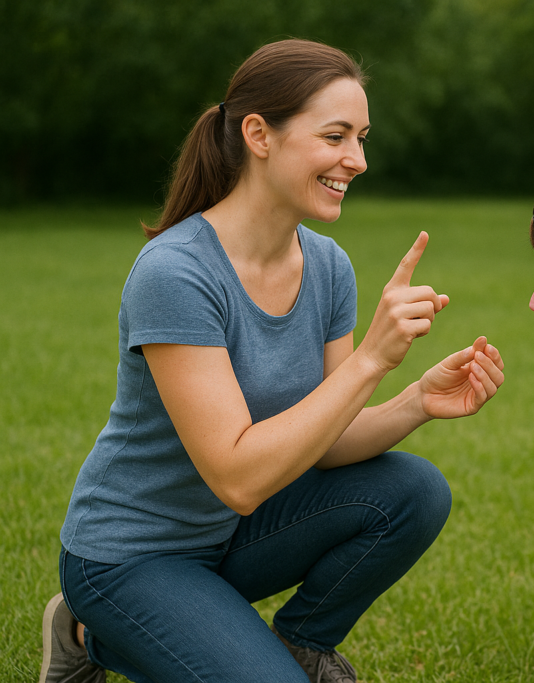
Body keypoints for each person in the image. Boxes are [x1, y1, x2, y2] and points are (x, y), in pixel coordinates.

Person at [39, 38, 504, 683]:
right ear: (259, 134)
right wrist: (372, 361)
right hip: (132, 555)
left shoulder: (328, 266)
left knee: (413, 491)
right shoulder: (177, 272)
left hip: (234, 536)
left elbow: (327, 441)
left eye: (362, 138)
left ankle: (302, 644)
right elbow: (237, 477)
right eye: (336, 136)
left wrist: (417, 400)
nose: (358, 160)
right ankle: (89, 628)